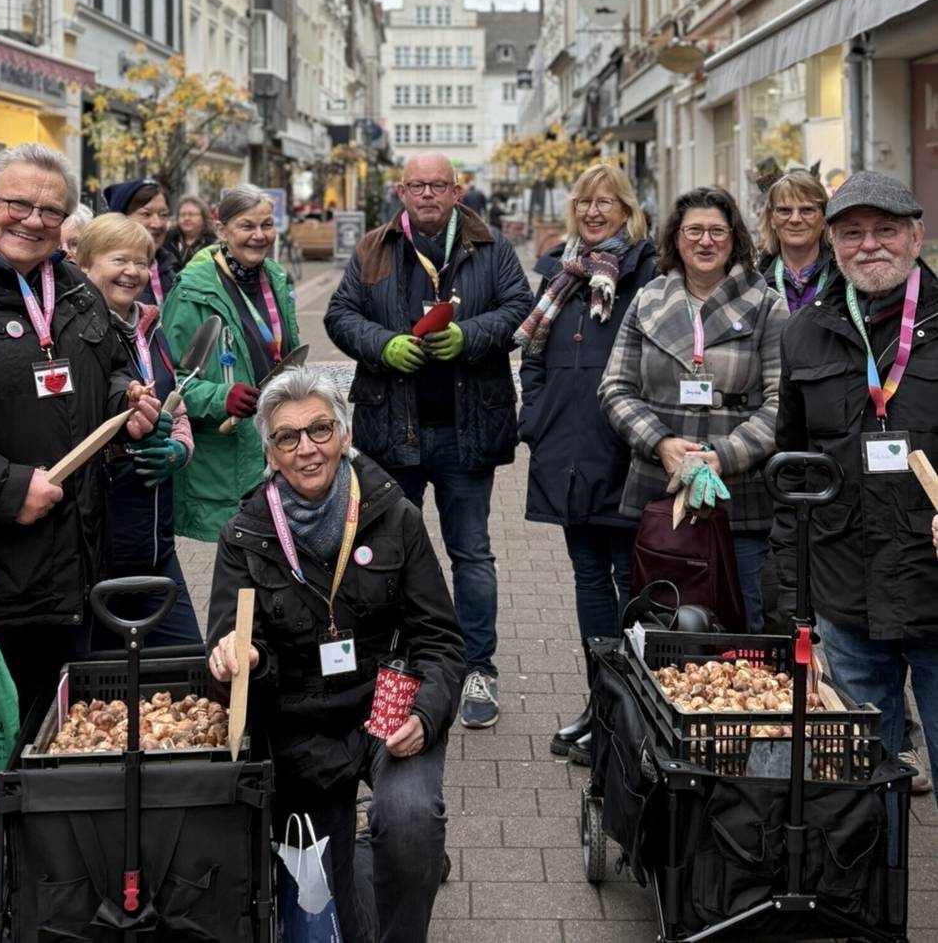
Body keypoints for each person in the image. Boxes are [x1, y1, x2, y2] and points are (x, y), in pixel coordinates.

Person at [206, 366, 465, 943]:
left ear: (345, 435)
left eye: (320, 430)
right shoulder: (244, 536)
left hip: (387, 706)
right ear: (269, 453)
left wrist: (425, 712)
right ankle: (359, 868)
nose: (307, 449)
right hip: (301, 727)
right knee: (328, 909)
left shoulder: (393, 514)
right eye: (287, 437)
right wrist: (238, 663)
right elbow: (226, 651)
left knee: (410, 820)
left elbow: (441, 641)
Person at [325, 152, 533, 729]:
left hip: (467, 434)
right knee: (389, 553)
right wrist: (381, 344)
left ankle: (477, 669)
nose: (427, 195)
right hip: (393, 434)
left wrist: (469, 335)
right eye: (416, 185)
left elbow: (521, 310)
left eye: (438, 185)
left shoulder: (491, 248)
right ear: (401, 191)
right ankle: (400, 658)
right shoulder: (373, 247)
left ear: (457, 190)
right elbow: (340, 315)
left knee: (471, 554)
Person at [771, 170, 938, 806]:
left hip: (932, 581)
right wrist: (791, 587)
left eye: (886, 230)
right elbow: (795, 467)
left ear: (916, 234)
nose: (869, 245)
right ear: (832, 244)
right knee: (859, 785)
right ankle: (872, 905)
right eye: (851, 233)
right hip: (847, 589)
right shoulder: (805, 331)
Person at [0, 143, 161, 718]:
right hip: (1, 567)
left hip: (77, 559)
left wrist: (127, 400)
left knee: (56, 727)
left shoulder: (73, 288)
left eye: (51, 211)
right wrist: (8, 488)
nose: (33, 220)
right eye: (17, 203)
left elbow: (110, 366)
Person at [598, 187, 788, 634]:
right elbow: (615, 388)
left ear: (735, 238)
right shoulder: (647, 301)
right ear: (676, 239)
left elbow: (784, 403)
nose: (706, 241)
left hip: (738, 498)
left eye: (717, 231)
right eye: (694, 231)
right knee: (658, 621)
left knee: (742, 629)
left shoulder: (767, 306)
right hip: (660, 490)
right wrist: (660, 443)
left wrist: (724, 455)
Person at [517, 164, 657, 765]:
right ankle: (602, 701)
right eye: (585, 202)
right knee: (586, 574)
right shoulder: (560, 271)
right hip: (565, 443)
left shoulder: (647, 273)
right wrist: (534, 413)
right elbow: (535, 354)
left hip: (624, 446)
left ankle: (633, 707)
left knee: (630, 576)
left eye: (608, 202)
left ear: (628, 209)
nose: (595, 212)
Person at [76, 213, 200, 648]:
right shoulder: (71, 334)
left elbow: (177, 406)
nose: (132, 272)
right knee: (99, 688)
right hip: (95, 555)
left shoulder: (151, 328)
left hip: (154, 547)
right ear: (84, 265)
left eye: (141, 261)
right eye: (118, 259)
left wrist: (178, 450)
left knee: (187, 660)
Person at [163, 183, 300, 542]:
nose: (259, 236)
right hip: (226, 458)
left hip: (279, 446)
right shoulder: (192, 291)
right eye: (247, 226)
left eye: (267, 225)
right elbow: (169, 380)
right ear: (221, 230)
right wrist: (219, 397)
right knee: (239, 571)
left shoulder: (276, 278)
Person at [757, 170, 834, 313]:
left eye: (807, 210)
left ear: (824, 219)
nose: (795, 219)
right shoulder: (755, 279)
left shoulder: (843, 279)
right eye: (785, 211)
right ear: (772, 220)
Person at [104, 178, 177, 306]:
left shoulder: (169, 271)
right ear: (121, 219)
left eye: (163, 215)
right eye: (146, 214)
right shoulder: (104, 271)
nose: (157, 224)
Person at [164, 195, 218, 269]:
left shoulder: (214, 244)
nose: (186, 218)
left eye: (191, 214)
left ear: (203, 217)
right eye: (183, 215)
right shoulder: (167, 240)